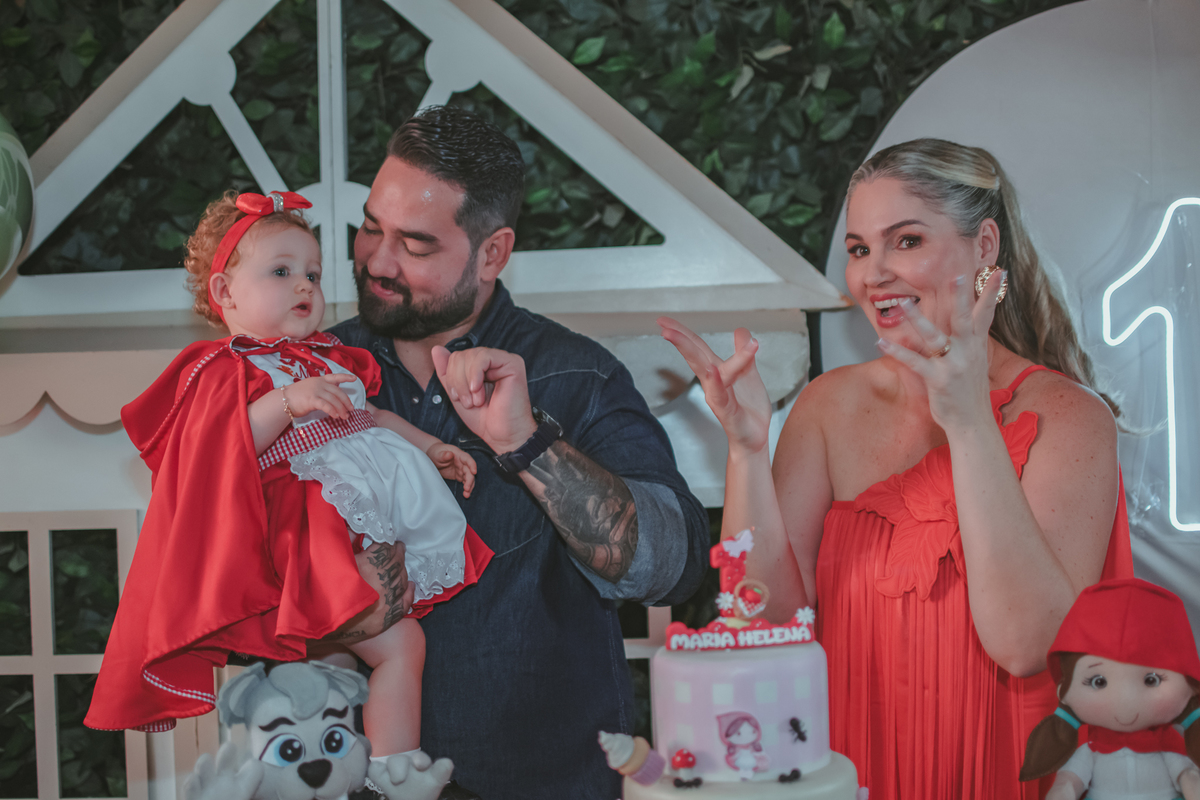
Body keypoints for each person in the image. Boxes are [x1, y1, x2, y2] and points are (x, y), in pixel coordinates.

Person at [659, 138, 1135, 800]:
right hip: (852, 769)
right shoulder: (829, 406)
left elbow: (1027, 644)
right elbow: (766, 620)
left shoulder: (1069, 417)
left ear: (985, 245)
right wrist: (746, 450)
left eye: (906, 241)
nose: (873, 273)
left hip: (1003, 771)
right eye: (859, 250)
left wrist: (969, 422)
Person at [328, 104, 710, 799]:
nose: (378, 262)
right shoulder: (313, 373)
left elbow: (672, 568)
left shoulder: (577, 376)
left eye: (416, 245)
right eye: (371, 227)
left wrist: (526, 444)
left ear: (493, 253)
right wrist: (327, 613)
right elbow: (222, 586)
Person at [85, 190, 493, 776]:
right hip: (300, 547)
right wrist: (285, 403)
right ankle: (397, 772)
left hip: (349, 538)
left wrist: (432, 447)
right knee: (400, 647)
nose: (304, 284)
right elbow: (216, 452)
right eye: (281, 272)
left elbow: (372, 416)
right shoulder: (224, 369)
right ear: (225, 292)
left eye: (313, 274)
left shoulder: (327, 358)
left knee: (332, 673)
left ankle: (330, 774)